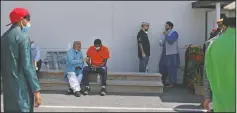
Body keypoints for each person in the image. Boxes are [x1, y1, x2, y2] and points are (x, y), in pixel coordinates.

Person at [1, 7, 41, 112]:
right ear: (20, 19)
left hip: (8, 87)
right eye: (28, 18)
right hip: (22, 88)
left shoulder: (4, 37)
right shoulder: (23, 37)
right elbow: (27, 65)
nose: (29, 21)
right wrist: (36, 90)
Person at [205, 17, 236, 112]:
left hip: (220, 101)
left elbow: (207, 73)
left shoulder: (213, 44)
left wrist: (207, 97)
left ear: (224, 26)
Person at [202, 18, 224, 111]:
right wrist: (207, 96)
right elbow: (208, 69)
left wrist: (207, 96)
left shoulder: (211, 43)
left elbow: (207, 70)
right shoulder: (212, 43)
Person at [158, 21, 180, 88]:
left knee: (172, 69)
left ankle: (172, 83)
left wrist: (166, 35)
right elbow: (166, 43)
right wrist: (161, 43)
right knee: (162, 67)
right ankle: (163, 81)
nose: (165, 27)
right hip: (165, 53)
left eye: (166, 25)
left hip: (171, 54)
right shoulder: (166, 33)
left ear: (170, 26)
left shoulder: (174, 33)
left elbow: (171, 41)